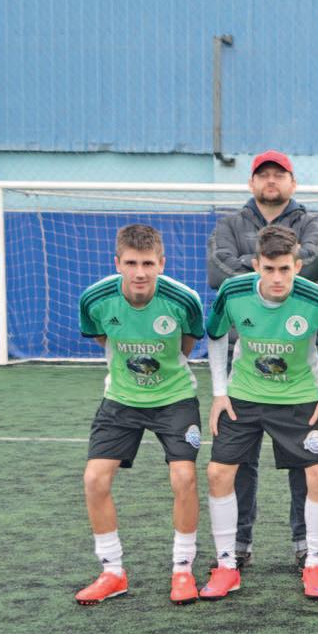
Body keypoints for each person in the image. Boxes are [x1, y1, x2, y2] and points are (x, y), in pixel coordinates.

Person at [203, 226, 318, 601]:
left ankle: (314, 562)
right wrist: (219, 392)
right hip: (244, 396)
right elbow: (215, 335)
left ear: (297, 266)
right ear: (256, 266)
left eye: (285, 269)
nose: (277, 278)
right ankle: (227, 565)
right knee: (218, 472)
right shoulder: (233, 292)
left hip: (299, 398)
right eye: (269, 269)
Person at [206, 149, 318, 571]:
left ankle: (304, 544)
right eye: (263, 174)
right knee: (238, 461)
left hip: (295, 361)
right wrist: (261, 269)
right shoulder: (229, 224)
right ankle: (239, 543)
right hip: (243, 357)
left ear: (293, 183)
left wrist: (254, 266)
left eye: (279, 174)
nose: (271, 180)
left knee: (304, 462)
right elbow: (216, 272)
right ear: (251, 182)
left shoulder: (310, 223)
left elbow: (311, 267)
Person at [75, 224, 206, 605]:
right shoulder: (95, 299)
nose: (140, 273)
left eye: (148, 263)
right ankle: (112, 572)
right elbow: (102, 337)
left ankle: (182, 569)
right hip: (121, 399)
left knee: (184, 477)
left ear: (161, 263)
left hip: (175, 398)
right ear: (117, 263)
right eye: (131, 263)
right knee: (95, 478)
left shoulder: (184, 300)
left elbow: (186, 345)